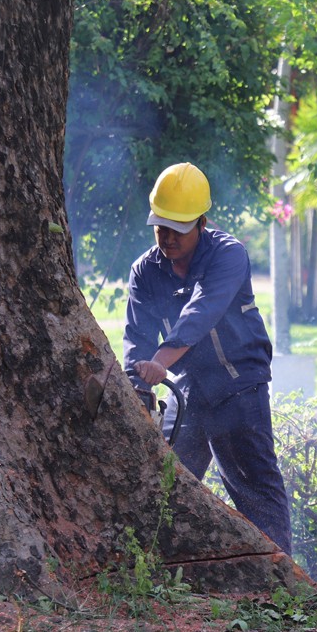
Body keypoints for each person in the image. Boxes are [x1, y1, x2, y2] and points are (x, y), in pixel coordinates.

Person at [123, 162, 293, 555]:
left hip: (238, 386)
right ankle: (162, 573)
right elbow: (137, 336)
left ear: (201, 222)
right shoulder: (144, 272)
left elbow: (201, 313)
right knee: (167, 484)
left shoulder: (229, 255)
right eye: (160, 227)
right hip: (188, 390)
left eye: (177, 229)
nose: (167, 238)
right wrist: (138, 385)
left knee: (255, 488)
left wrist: (160, 361)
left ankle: (287, 584)